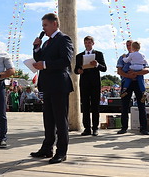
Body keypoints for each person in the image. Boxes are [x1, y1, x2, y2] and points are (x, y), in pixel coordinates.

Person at [30, 13, 74, 164]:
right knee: (48, 119)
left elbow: (66, 60)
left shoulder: (63, 39)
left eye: (45, 26)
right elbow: (39, 59)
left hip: (59, 85)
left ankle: (61, 152)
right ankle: (47, 148)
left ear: (54, 24)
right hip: (47, 85)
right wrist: (36, 48)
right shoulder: (47, 43)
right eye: (43, 26)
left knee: (60, 120)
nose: (43, 29)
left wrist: (45, 65)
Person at [74, 35, 107, 136]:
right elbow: (75, 70)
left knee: (95, 106)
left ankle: (95, 128)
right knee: (85, 106)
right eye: (86, 42)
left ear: (93, 43)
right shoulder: (79, 56)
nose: (87, 44)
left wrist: (97, 65)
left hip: (95, 83)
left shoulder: (98, 54)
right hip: (84, 83)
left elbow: (104, 68)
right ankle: (87, 128)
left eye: (89, 42)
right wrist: (78, 70)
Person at [116, 40, 149, 135]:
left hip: (138, 82)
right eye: (127, 45)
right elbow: (119, 71)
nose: (129, 47)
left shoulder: (141, 56)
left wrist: (136, 73)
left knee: (142, 104)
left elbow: (147, 69)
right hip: (127, 82)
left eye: (130, 45)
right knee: (124, 105)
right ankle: (124, 127)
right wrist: (128, 76)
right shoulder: (123, 57)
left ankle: (143, 128)